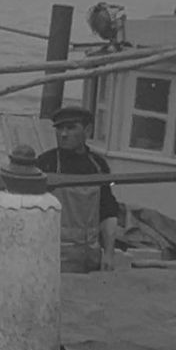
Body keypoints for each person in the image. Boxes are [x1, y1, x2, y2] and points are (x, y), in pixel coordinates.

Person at [36, 105, 120, 272]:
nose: (63, 134)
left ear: (88, 131)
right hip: (55, 257)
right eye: (59, 128)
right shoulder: (46, 164)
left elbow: (108, 212)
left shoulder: (98, 166)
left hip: (91, 256)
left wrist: (109, 254)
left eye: (71, 128)